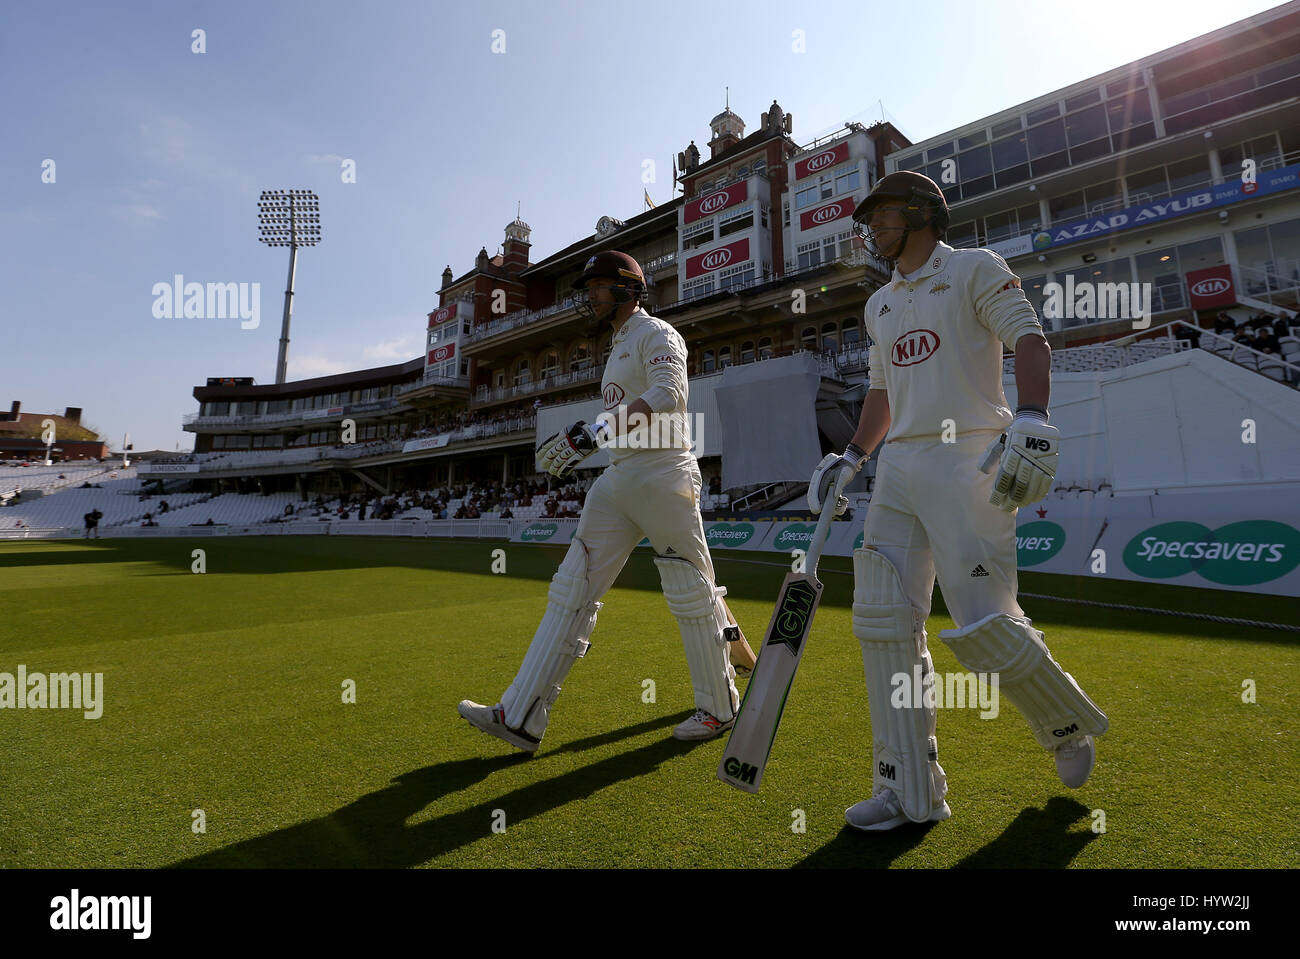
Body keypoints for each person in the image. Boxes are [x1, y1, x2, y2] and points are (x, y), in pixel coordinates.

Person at [809, 171, 1108, 833]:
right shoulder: (879, 304)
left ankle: (1064, 724)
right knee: (883, 620)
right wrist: (853, 455)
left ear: (919, 213)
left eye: (881, 216)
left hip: (968, 456)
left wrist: (1031, 414)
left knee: (983, 622)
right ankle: (908, 789)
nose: (872, 229)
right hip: (900, 466)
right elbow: (882, 395)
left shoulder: (975, 267)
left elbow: (1030, 340)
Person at [458, 251, 755, 753]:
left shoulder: (658, 333)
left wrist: (594, 430)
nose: (589, 296)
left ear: (626, 287)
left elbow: (668, 395)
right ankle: (521, 714)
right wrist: (590, 438)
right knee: (571, 585)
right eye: (588, 288)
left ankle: (720, 708)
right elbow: (632, 406)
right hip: (620, 476)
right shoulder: (618, 345)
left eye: (597, 286)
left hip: (664, 473)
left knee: (687, 587)